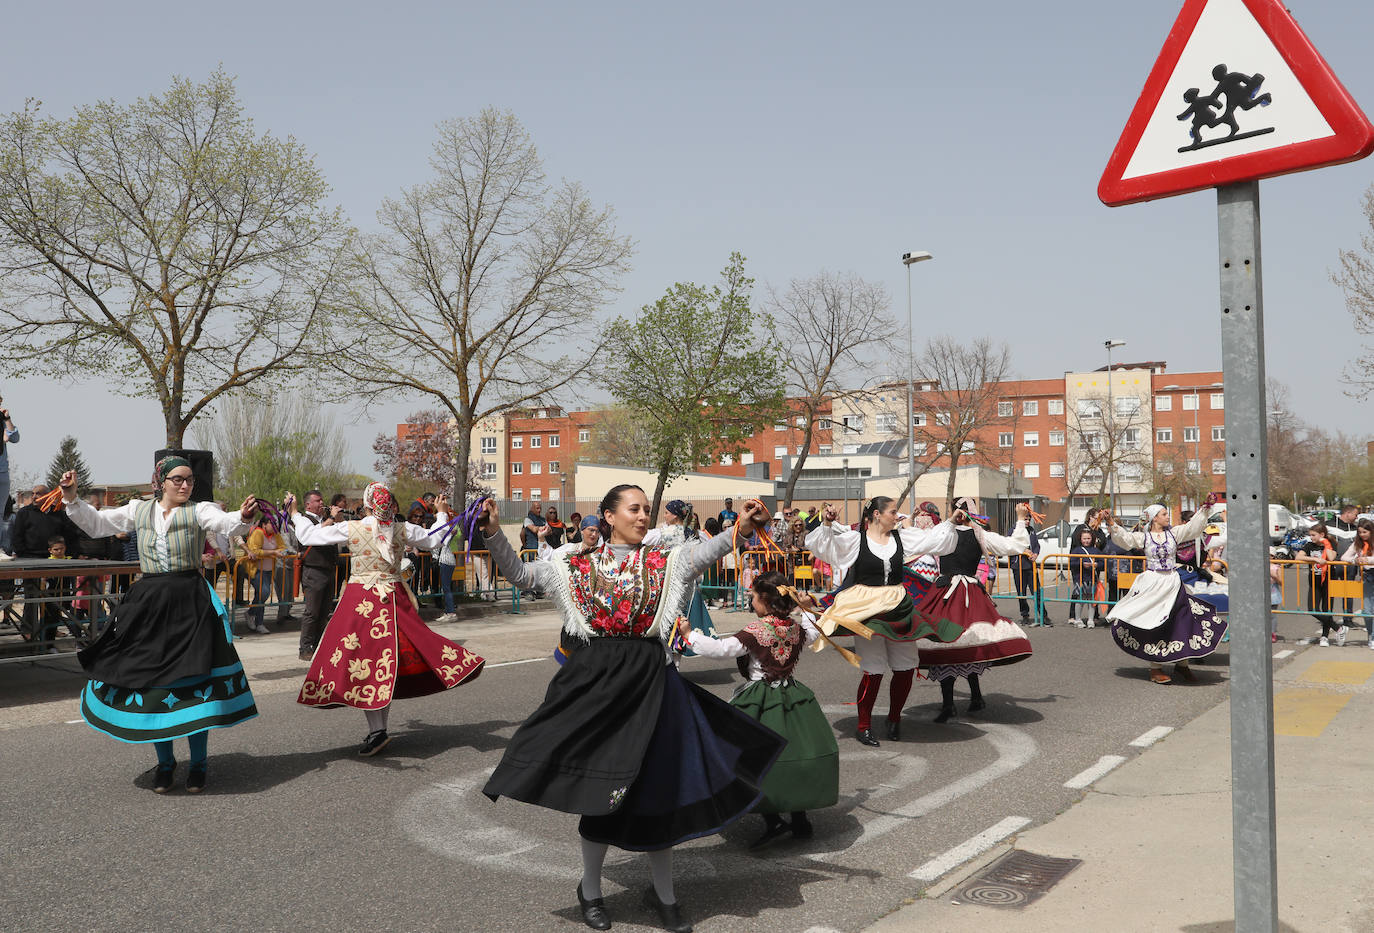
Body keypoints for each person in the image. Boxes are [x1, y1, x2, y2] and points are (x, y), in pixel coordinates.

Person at [480, 487, 782, 933]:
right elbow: (523, 576)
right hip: (594, 688)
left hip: (652, 687)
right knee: (598, 794)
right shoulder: (573, 563)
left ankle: (665, 895)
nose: (643, 517)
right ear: (609, 515)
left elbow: (705, 553)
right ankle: (591, 890)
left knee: (658, 791)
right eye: (633, 509)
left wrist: (741, 527)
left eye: (646, 510)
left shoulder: (665, 562)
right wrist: (491, 534)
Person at [57, 460, 259, 793]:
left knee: (193, 687)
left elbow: (225, 523)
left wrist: (244, 517)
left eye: (190, 480)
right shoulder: (138, 509)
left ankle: (199, 765)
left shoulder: (199, 510)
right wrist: (71, 497)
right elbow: (95, 524)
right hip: (149, 603)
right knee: (152, 686)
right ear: (160, 482)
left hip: (188, 603)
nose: (185, 485)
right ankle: (166, 764)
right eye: (178, 480)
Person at [290, 483, 484, 755]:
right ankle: (378, 730)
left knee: (362, 662)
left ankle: (377, 731)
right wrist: (441, 513)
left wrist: (296, 514)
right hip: (392, 600)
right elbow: (434, 539)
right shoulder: (403, 528)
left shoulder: (353, 527)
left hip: (360, 602)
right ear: (390, 505)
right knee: (388, 662)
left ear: (368, 505)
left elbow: (309, 536)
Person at [682, 571, 837, 850]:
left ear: (766, 599)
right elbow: (815, 630)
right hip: (792, 695)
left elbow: (721, 650)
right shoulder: (794, 628)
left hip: (760, 698)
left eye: (753, 596)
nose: (751, 601)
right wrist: (808, 609)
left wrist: (689, 635)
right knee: (793, 752)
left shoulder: (756, 631)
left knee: (755, 756)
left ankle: (773, 818)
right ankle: (799, 818)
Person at [804, 496, 968, 746]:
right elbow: (824, 548)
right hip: (867, 607)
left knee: (905, 665)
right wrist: (826, 523)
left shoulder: (902, 538)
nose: (897, 515)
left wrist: (950, 522)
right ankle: (864, 726)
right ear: (877, 515)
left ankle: (894, 720)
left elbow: (934, 540)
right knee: (873, 667)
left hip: (898, 605)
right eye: (893, 511)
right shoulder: (856, 539)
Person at [912, 500, 1036, 723]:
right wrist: (1019, 519)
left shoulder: (953, 532)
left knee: (949, 643)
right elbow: (1014, 545)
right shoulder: (975, 534)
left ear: (953, 511)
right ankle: (971, 698)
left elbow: (917, 540)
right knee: (968, 642)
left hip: (950, 593)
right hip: (965, 593)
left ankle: (954, 703)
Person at [1103, 498, 1228, 684]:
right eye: (1164, 514)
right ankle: (1156, 668)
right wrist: (1112, 523)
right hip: (1153, 582)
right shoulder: (1144, 537)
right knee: (1156, 623)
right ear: (1154, 519)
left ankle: (1182, 664)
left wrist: (1206, 508)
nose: (1167, 516)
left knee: (1182, 621)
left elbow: (1192, 528)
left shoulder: (1174, 533)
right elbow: (1126, 540)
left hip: (1172, 581)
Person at [296, 490, 341, 660]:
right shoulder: (304, 520)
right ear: (308, 504)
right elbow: (312, 534)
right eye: (317, 500)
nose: (321, 502)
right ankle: (305, 648)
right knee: (312, 612)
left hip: (328, 569)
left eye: (322, 499)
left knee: (323, 612)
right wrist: (331, 520)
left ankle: (317, 645)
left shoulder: (324, 519)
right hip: (314, 570)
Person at [1295, 522, 1341, 646]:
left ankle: (1324, 637)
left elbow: (1331, 558)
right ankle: (1338, 628)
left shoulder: (1330, 544)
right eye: (1310, 535)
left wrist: (1326, 543)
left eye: (1313, 535)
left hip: (1329, 581)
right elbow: (1298, 557)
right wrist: (1315, 559)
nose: (1311, 537)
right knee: (1313, 609)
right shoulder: (1309, 545)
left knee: (1327, 609)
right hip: (1314, 581)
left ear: (1322, 534)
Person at [244, 513, 290, 634]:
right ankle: (256, 619)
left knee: (261, 595)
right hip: (256, 570)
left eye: (276, 524)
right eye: (273, 524)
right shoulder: (258, 533)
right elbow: (255, 551)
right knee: (264, 592)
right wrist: (273, 552)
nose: (275, 526)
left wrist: (275, 552)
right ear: (264, 524)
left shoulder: (276, 534)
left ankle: (254, 617)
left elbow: (283, 547)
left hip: (269, 570)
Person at [1008, 503, 1049, 626]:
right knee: (1021, 593)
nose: (1027, 521)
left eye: (1028, 519)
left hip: (1031, 566)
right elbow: (1010, 545)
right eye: (1025, 519)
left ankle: (1043, 614)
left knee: (1036, 591)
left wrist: (1035, 553)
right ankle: (1024, 614)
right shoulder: (1013, 530)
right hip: (1018, 566)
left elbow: (1036, 545)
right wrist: (1023, 551)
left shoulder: (1031, 531)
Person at [1340, 519, 1374, 648]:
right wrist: (1355, 560)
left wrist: (1368, 559)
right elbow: (1344, 557)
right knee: (1367, 609)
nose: (1362, 535)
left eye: (1365, 532)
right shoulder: (1357, 544)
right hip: (1367, 577)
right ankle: (1371, 636)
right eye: (1360, 532)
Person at [1328, 504, 1361, 629]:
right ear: (1347, 513)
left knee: (1349, 592)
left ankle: (1348, 618)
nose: (1356, 517)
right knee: (1330, 592)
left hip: (1350, 565)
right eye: (1355, 514)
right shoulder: (1328, 524)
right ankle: (1328, 618)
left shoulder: (1355, 528)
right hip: (1333, 564)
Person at [1067, 527, 1102, 627]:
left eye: (1088, 538)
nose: (1086, 540)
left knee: (1091, 599)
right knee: (1080, 599)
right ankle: (1078, 619)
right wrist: (1082, 564)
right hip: (1080, 578)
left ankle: (1090, 619)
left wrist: (1096, 565)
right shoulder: (1076, 550)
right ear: (1080, 539)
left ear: (1092, 539)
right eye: (1084, 538)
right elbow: (1072, 563)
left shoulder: (1096, 551)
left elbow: (1103, 562)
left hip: (1092, 578)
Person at [0, 397, 16, 542]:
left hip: (2, 471)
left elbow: (14, 437)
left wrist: (7, 419)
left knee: (0, 511)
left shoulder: (3, 421)